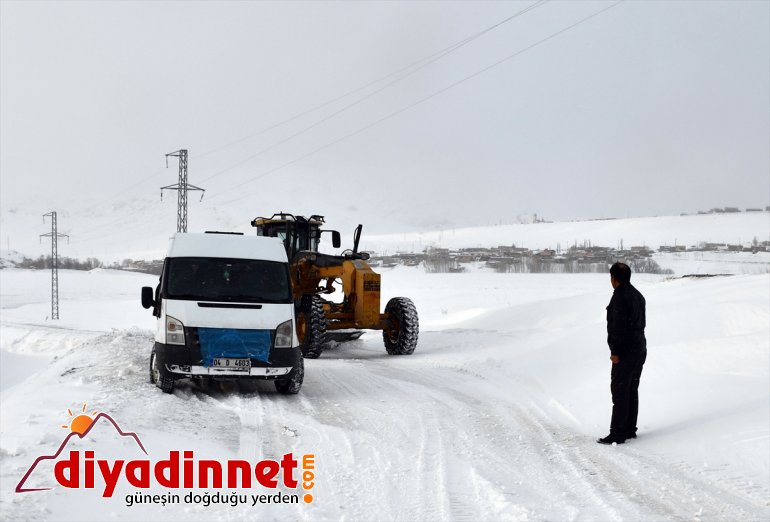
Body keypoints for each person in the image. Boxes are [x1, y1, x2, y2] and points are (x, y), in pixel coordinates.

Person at [598, 262, 647, 445]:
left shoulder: (620, 297)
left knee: (620, 391)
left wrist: (615, 351)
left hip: (626, 351)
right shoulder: (637, 295)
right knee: (631, 389)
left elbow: (617, 327)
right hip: (639, 348)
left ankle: (618, 433)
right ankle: (629, 429)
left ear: (614, 278)